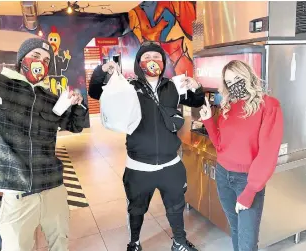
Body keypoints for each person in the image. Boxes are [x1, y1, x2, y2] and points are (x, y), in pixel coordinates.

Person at [0, 37, 88, 251]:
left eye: (46, 60)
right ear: (21, 59)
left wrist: (78, 106)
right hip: (17, 191)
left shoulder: (49, 97)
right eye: (36, 56)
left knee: (60, 243)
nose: (41, 63)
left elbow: (74, 126)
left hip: (52, 184)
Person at [89, 41, 205, 251]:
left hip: (171, 163)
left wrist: (196, 88)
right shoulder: (129, 87)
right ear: (138, 62)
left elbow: (196, 102)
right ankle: (134, 243)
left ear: (163, 62)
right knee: (136, 209)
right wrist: (101, 70)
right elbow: (96, 93)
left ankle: (179, 242)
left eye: (157, 57)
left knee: (176, 207)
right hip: (138, 165)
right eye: (147, 57)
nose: (152, 61)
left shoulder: (173, 86)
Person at [199, 60, 283, 251]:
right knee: (236, 230)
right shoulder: (228, 106)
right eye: (229, 82)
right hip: (223, 176)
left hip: (247, 180)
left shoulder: (269, 106)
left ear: (249, 76)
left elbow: (268, 153)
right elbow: (221, 145)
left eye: (237, 78)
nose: (234, 84)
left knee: (247, 242)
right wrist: (208, 121)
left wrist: (251, 190)